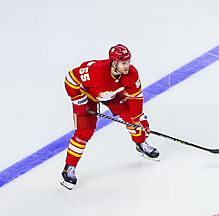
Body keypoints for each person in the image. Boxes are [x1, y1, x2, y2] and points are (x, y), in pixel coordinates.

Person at [61, 43, 159, 190]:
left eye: (128, 62)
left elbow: (135, 98)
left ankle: (141, 144)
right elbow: (70, 78)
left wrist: (139, 117)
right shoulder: (95, 71)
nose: (127, 66)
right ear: (114, 63)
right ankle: (69, 167)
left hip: (110, 94)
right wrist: (77, 99)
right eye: (123, 63)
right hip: (88, 96)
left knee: (132, 119)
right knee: (84, 133)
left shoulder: (131, 74)